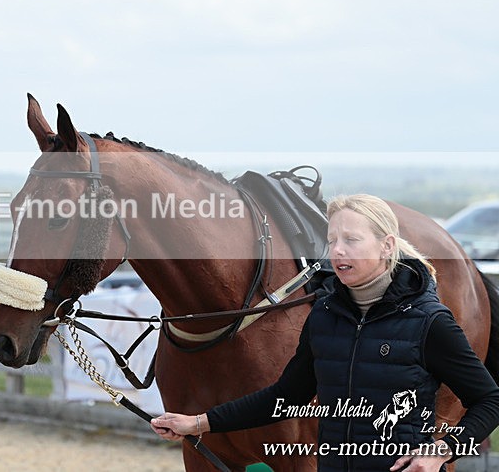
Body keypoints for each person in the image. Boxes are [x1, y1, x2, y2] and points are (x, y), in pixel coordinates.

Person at [151, 194, 499, 471]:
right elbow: (285, 396)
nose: (338, 250)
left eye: (351, 239)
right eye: (332, 240)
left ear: (387, 246)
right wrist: (198, 423)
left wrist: (442, 451)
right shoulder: (323, 316)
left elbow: (490, 400)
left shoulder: (430, 321)